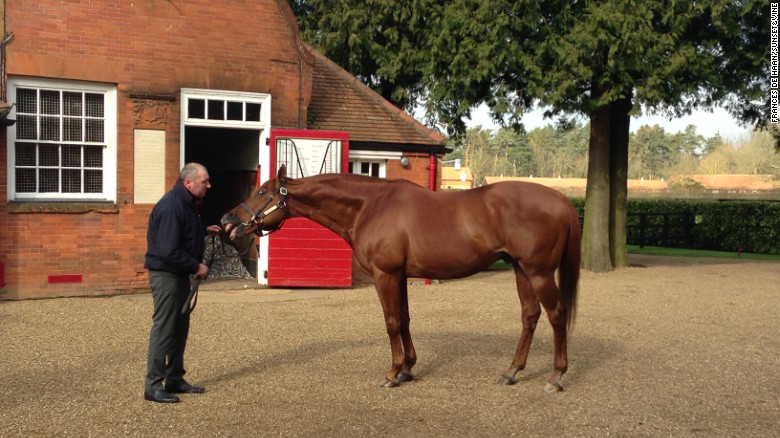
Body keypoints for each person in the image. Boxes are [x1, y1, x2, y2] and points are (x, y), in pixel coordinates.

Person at [143, 162, 221, 403]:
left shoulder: (187, 204)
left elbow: (184, 231)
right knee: (164, 330)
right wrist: (197, 266)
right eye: (204, 181)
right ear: (189, 183)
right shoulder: (172, 206)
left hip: (177, 276)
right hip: (166, 275)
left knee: (179, 329)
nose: (209, 185)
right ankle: (153, 385)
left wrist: (204, 231)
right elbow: (168, 250)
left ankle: (174, 378)